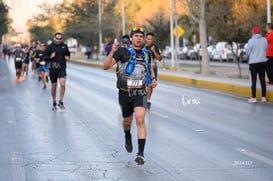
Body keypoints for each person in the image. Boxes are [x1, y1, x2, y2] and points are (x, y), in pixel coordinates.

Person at [103, 26, 157, 165]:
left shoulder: (147, 53)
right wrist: (112, 52)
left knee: (140, 119)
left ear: (143, 38)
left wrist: (153, 78)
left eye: (141, 36)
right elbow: (105, 66)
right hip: (124, 92)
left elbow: (149, 66)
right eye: (136, 36)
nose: (139, 38)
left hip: (140, 92)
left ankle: (140, 154)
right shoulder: (122, 51)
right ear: (132, 38)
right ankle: (127, 135)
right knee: (127, 122)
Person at [44, 32, 70, 110]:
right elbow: (45, 57)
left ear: (62, 38)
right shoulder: (50, 47)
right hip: (53, 68)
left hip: (62, 68)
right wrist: (50, 57)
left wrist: (68, 58)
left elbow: (68, 54)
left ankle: (61, 100)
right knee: (54, 86)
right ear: (54, 38)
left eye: (60, 38)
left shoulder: (64, 46)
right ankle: (54, 101)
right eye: (57, 38)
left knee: (62, 84)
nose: (58, 40)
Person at [246, 26, 267, 103]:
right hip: (262, 61)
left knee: (253, 80)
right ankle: (264, 97)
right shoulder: (264, 40)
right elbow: (266, 49)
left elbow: (247, 52)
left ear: (254, 32)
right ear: (260, 32)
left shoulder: (251, 41)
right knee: (262, 79)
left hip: (253, 63)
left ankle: (254, 97)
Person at [144, 32, 162, 108]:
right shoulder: (142, 47)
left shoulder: (155, 47)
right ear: (145, 39)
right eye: (148, 39)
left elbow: (159, 58)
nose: (150, 40)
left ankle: (148, 100)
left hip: (153, 68)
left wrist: (154, 50)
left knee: (150, 85)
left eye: (151, 39)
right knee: (143, 84)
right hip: (143, 67)